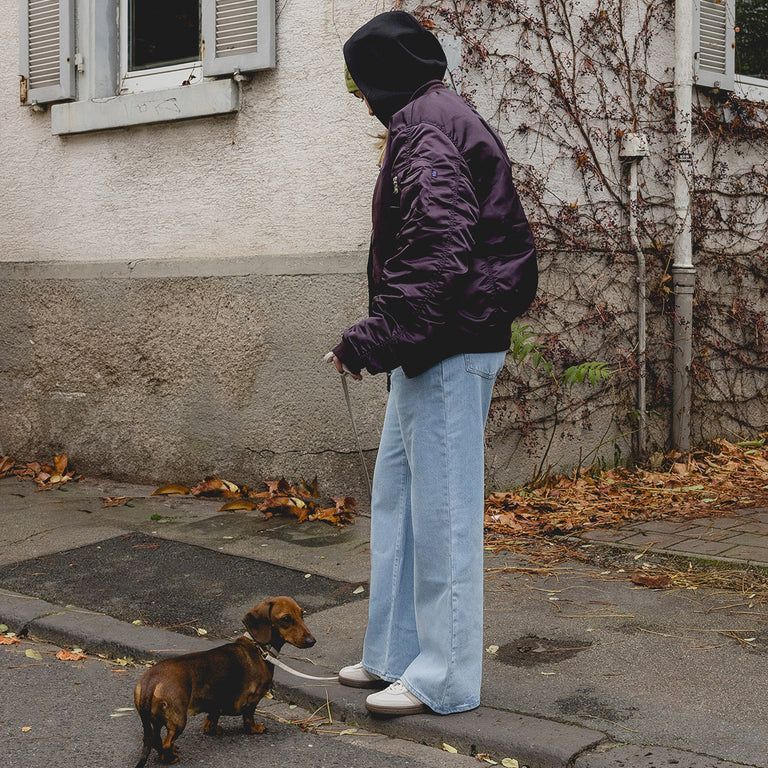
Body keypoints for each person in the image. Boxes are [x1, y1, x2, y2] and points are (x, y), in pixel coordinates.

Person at [328, 10, 538, 716]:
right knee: (398, 500)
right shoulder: (432, 118)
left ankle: (443, 677)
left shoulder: (425, 127)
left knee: (441, 515)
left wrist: (371, 339)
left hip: (451, 342)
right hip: (438, 341)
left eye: (356, 82)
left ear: (379, 78)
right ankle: (394, 655)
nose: (357, 97)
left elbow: (437, 249)